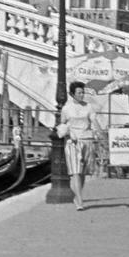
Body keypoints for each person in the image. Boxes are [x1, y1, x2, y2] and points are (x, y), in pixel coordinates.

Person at [57, 81, 97, 211]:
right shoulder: (66, 109)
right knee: (75, 172)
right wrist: (66, 133)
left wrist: (101, 134)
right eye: (79, 93)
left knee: (83, 173)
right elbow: (62, 124)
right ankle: (79, 200)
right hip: (72, 142)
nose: (81, 95)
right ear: (72, 94)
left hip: (87, 140)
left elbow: (94, 121)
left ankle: (76, 195)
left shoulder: (89, 107)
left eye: (82, 92)